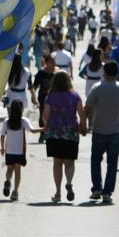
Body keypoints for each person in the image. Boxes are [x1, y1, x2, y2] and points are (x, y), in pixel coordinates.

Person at [84, 61, 119, 204]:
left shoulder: (97, 88)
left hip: (98, 129)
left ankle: (97, 188)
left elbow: (88, 107)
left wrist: (87, 123)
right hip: (115, 131)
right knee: (112, 163)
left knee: (95, 160)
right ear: (117, 73)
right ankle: (107, 193)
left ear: (104, 72)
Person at [42, 71, 87, 203]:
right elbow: (82, 114)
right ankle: (69, 182)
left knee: (57, 162)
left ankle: (58, 193)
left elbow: (45, 116)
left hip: (55, 133)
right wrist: (83, 126)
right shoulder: (75, 96)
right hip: (71, 133)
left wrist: (46, 126)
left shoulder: (51, 96)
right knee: (69, 162)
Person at [0, 100, 39, 201]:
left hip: (9, 151)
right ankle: (15, 192)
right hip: (19, 151)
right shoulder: (23, 121)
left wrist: (2, 148)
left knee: (9, 169)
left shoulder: (7, 121)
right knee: (17, 172)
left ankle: (8, 180)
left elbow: (2, 135)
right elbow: (33, 131)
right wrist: (44, 129)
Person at [32, 54, 56, 142]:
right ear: (46, 63)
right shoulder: (41, 73)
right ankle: (42, 134)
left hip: (55, 98)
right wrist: (33, 97)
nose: (53, 64)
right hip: (43, 97)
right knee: (43, 115)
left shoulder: (57, 73)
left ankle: (51, 134)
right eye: (51, 62)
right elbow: (34, 86)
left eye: (54, 62)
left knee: (53, 116)